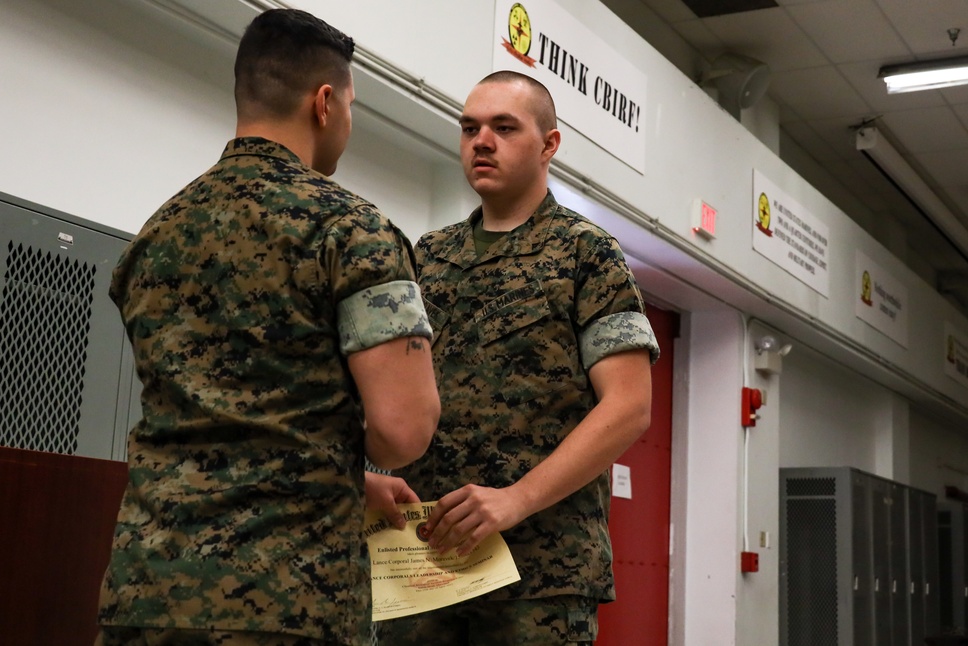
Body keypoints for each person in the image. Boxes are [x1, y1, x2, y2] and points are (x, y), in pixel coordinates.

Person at [97, 9, 440, 646]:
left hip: (146, 593)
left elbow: (209, 416)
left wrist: (343, 474)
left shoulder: (156, 234)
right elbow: (402, 430)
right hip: (287, 600)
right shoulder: (353, 233)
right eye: (351, 106)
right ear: (325, 102)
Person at [377, 71, 660, 645]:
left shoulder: (586, 252)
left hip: (540, 575)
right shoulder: (428, 255)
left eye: (504, 127)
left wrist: (515, 500)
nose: (481, 141)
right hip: (423, 562)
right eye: (470, 128)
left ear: (548, 145)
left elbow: (630, 407)